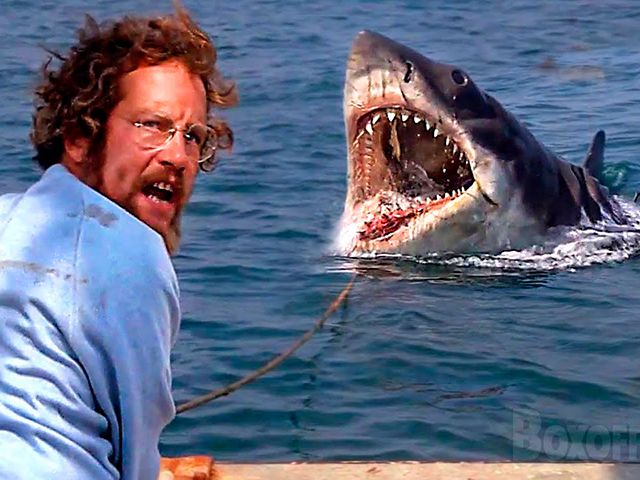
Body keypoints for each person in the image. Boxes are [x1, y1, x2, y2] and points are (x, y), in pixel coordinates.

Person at [0, 4, 237, 479]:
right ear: (79, 137)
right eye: (152, 125)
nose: (177, 156)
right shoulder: (130, 252)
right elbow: (134, 461)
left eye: (193, 136)